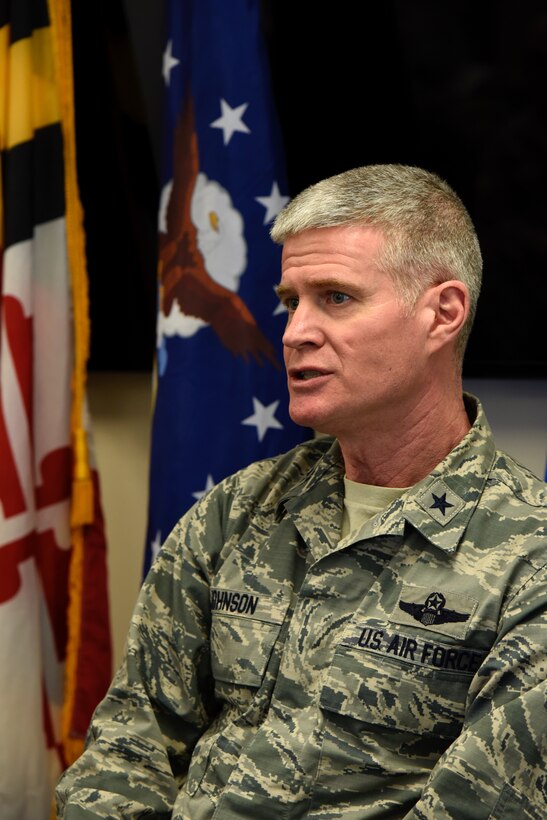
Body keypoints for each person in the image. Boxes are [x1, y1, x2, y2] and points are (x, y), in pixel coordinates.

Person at [56, 164, 547, 819]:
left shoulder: (528, 558)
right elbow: (125, 752)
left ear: (442, 313)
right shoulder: (239, 510)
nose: (293, 333)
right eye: (290, 301)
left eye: (336, 298)